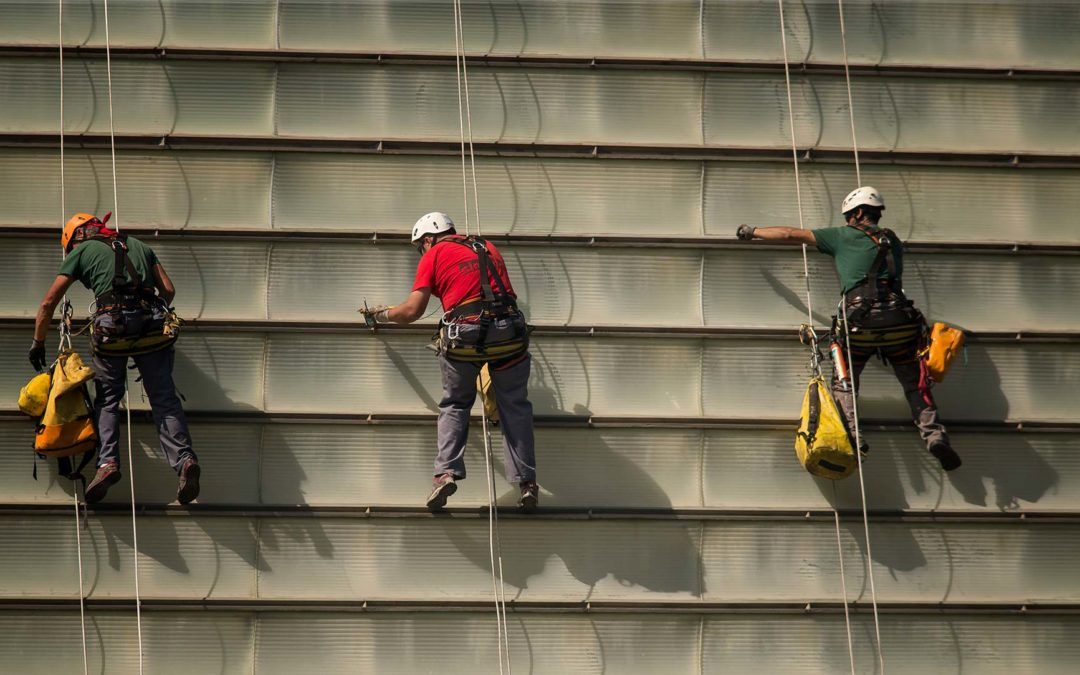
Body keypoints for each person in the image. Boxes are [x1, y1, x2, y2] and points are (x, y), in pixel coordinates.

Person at [736, 187, 961, 471]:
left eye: (847, 216)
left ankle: (853, 438)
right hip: (900, 322)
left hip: (860, 323)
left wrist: (753, 231)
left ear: (856, 213)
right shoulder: (893, 240)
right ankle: (934, 437)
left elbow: (792, 234)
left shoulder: (842, 236)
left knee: (844, 381)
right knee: (916, 384)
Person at [362, 212, 539, 510]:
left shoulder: (434, 255)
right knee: (515, 407)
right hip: (510, 334)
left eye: (421, 246)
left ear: (429, 239)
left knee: (456, 403)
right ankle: (527, 483)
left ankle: (445, 474)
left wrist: (381, 315)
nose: (422, 251)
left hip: (466, 336)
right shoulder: (487, 247)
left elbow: (411, 312)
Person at [31, 212, 200, 503]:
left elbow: (49, 302)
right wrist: (146, 316)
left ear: (78, 235)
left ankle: (107, 463)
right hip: (152, 328)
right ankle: (185, 460)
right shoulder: (139, 245)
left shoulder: (82, 250)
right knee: (163, 398)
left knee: (108, 399)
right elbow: (168, 290)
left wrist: (38, 342)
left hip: (112, 330)